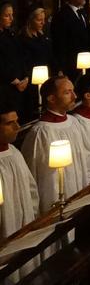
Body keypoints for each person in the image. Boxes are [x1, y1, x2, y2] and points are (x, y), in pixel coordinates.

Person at [21, 76, 90, 213]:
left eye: (73, 91)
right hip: (54, 201)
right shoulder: (40, 132)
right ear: (51, 98)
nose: (74, 96)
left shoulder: (74, 122)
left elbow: (84, 158)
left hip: (79, 191)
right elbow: (33, 172)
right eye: (67, 92)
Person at [0, 97, 38, 238]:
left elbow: (31, 189)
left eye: (17, 121)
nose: (18, 127)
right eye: (10, 123)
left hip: (25, 227)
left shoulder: (14, 152)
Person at [51, 0, 90, 77]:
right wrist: (61, 68)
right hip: (72, 65)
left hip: (87, 62)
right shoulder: (62, 16)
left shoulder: (82, 12)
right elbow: (60, 44)